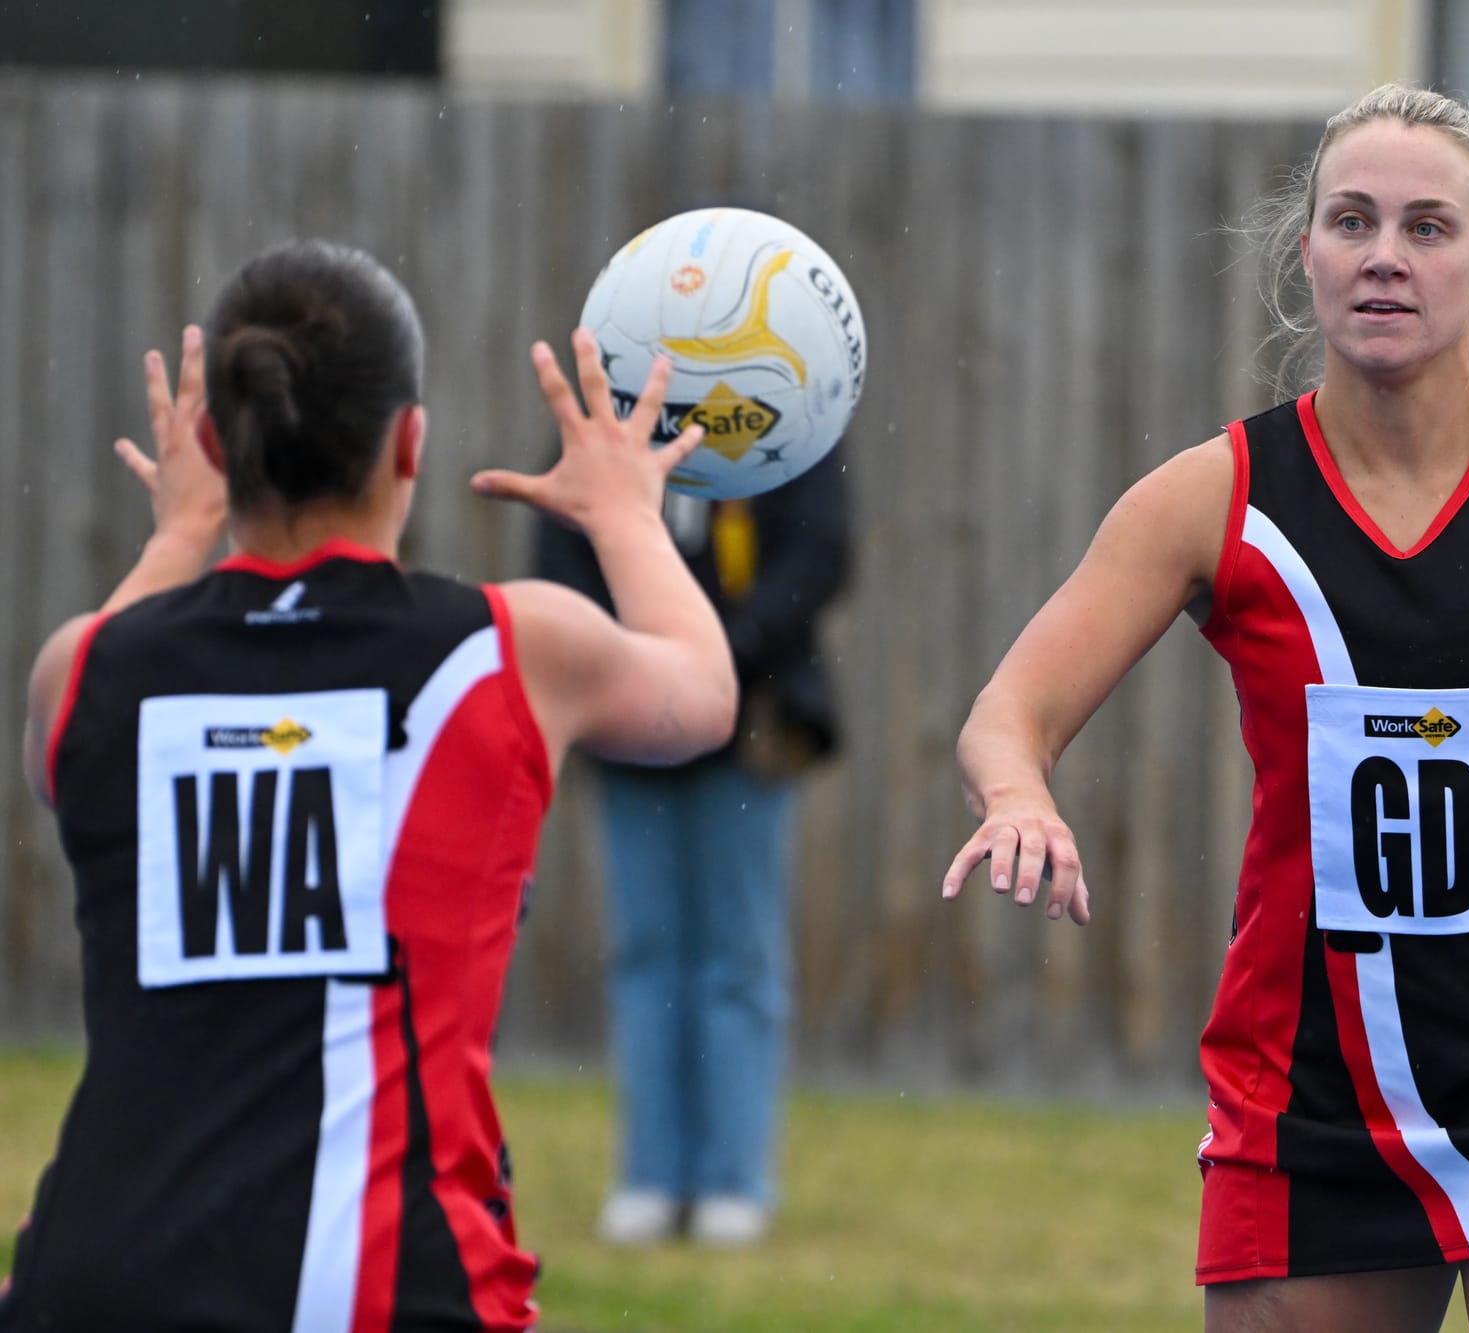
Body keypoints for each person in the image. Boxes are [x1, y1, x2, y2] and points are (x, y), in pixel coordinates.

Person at [942, 84, 1469, 1333]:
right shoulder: (1217, 496)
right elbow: (1008, 709)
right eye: (1350, 221)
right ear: (1302, 251)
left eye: (1427, 228)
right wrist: (1017, 794)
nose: (1382, 256)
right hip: (1312, 1090)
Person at [0, 239, 736, 1331]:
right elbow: (702, 698)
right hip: (377, 1285)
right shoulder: (500, 650)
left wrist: (180, 534)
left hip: (97, 1276)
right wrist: (626, 510)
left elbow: (86, 705)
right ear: (410, 442)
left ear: (213, 442)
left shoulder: (82, 674)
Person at [534, 438, 849, 1248]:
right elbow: (559, 555)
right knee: (647, 952)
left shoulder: (789, 401)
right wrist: (630, 663)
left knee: (735, 956)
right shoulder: (602, 413)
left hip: (749, 719)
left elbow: (820, 552)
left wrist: (717, 657)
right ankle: (650, 1174)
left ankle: (732, 1181)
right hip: (627, 719)